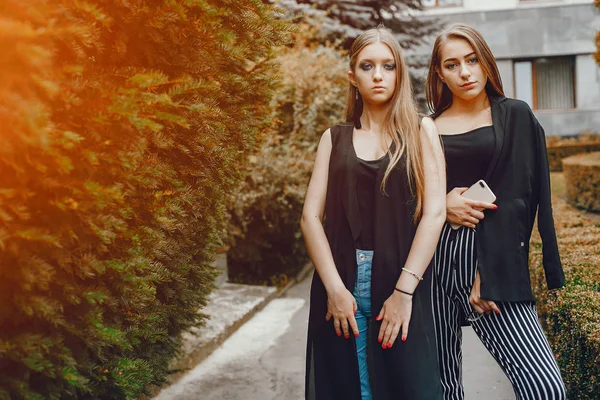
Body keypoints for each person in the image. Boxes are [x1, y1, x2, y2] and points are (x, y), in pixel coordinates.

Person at [301, 26, 446, 400]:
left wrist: (403, 291)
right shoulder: (333, 138)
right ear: (353, 76)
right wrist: (334, 288)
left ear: (399, 72)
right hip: (342, 284)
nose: (378, 75)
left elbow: (435, 214)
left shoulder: (421, 131)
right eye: (367, 66)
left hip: (400, 280)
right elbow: (310, 218)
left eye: (388, 66)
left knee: (410, 387)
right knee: (354, 389)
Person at [425, 23, 567, 400]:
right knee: (441, 389)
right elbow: (404, 197)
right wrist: (442, 204)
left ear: (486, 61)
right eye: (452, 65)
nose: (465, 72)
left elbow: (520, 200)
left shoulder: (516, 116)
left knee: (545, 390)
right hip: (433, 261)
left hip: (490, 262)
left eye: (472, 60)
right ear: (439, 73)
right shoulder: (427, 127)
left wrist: (487, 272)